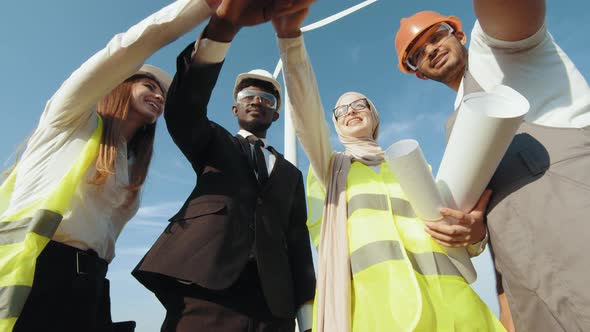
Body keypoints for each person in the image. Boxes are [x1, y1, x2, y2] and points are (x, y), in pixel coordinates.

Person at [274, 8, 504, 332]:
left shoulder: (412, 164)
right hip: (380, 313)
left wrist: (475, 236)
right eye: (341, 110)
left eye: (359, 105)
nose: (350, 111)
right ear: (335, 123)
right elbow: (306, 116)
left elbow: (452, 226)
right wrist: (291, 42)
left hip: (455, 307)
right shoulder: (329, 169)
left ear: (374, 115)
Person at [0, 1, 222, 331]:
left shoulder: (129, 164)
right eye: (149, 85)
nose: (159, 96)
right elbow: (123, 50)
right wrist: (202, 7)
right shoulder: (70, 118)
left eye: (163, 93)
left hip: (91, 286)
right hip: (38, 273)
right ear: (120, 84)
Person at [395, 2, 590, 331]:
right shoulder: (453, 130)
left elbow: (510, 10)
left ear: (458, 34)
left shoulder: (498, 54)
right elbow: (490, 225)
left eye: (437, 35)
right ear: (419, 73)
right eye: (418, 53)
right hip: (529, 294)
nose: (431, 49)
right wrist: (474, 233)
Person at [132, 1, 317, 331]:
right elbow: (185, 107)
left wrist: (306, 312)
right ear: (234, 109)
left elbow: (298, 239)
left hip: (274, 304)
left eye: (269, 99)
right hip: (206, 288)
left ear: (276, 114)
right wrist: (220, 33)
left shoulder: (291, 174)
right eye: (248, 95)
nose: (258, 101)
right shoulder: (213, 141)